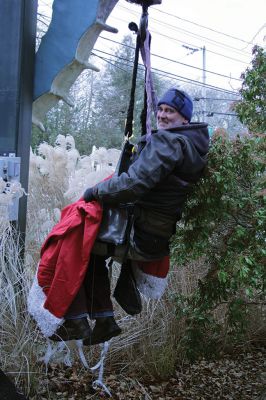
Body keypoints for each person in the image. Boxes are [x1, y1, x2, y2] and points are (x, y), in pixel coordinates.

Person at [50, 88, 210, 344]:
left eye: (171, 111)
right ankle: (101, 319)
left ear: (185, 120)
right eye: (161, 109)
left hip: (139, 230)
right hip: (157, 233)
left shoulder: (170, 143)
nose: (162, 115)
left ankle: (77, 319)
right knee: (92, 249)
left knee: (75, 233)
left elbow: (134, 184)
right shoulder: (192, 148)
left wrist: (94, 191)